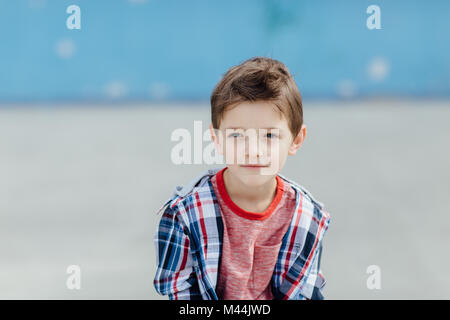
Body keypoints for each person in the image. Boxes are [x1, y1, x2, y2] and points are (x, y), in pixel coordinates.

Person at [153, 57, 331, 300]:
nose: (253, 150)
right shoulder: (185, 214)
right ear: (216, 140)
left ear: (296, 139)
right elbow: (179, 292)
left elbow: (306, 292)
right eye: (237, 135)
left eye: (269, 135)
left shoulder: (308, 216)